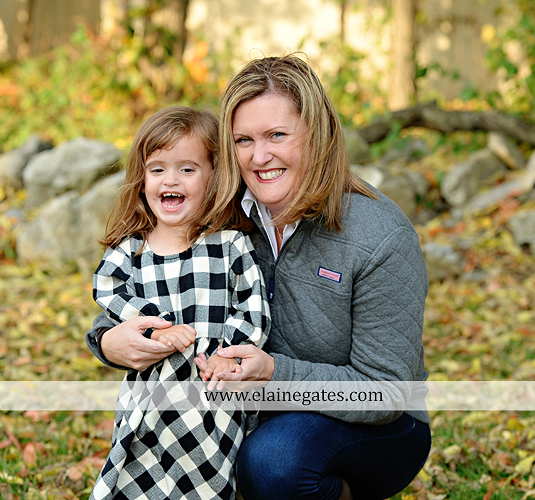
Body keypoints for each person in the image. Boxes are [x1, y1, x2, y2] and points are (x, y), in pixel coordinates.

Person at [87, 54, 430, 500]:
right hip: (247, 410)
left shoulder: (378, 235)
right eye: (243, 140)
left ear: (317, 134)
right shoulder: (222, 212)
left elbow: (385, 392)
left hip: (376, 425)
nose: (260, 156)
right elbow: (153, 281)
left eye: (277, 136)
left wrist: (273, 373)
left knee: (273, 462)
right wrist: (108, 342)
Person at [89, 105, 270, 500]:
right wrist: (154, 326)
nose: (170, 179)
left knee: (206, 480)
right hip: (150, 396)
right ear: (141, 180)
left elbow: (252, 307)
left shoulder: (229, 245)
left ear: (214, 176)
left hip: (212, 393)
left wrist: (228, 354)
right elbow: (107, 288)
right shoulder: (132, 250)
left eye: (187, 169)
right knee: (139, 478)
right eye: (157, 169)